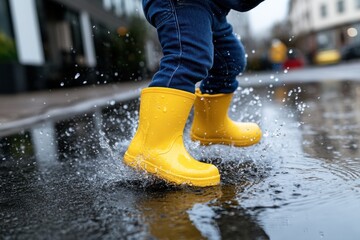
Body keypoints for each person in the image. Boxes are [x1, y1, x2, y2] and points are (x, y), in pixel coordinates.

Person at [123, 0, 264, 187]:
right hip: (182, 2)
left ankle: (211, 125)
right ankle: (154, 146)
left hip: (213, 6)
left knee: (230, 60)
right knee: (188, 58)